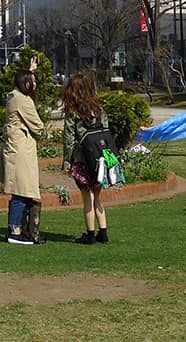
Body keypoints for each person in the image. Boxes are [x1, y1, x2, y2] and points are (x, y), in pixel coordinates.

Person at [62, 73, 110, 245]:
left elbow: (69, 139)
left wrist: (67, 162)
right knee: (97, 196)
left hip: (81, 158)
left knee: (87, 197)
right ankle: (103, 232)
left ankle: (90, 234)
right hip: (99, 159)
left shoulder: (73, 112)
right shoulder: (98, 109)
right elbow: (106, 130)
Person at [3, 65, 43, 245]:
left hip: (15, 147)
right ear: (26, 84)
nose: (35, 84)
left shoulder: (13, 96)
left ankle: (19, 229)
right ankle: (15, 231)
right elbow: (38, 126)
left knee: (21, 190)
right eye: (33, 81)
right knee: (21, 191)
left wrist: (30, 70)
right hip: (22, 149)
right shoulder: (23, 101)